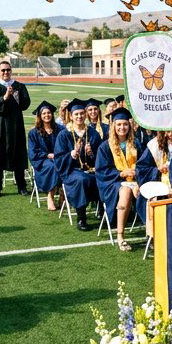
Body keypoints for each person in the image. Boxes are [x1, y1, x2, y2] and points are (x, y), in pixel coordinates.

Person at [94, 108, 142, 250]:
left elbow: (145, 165)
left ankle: (151, 235)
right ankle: (120, 236)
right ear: (113, 126)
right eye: (119, 124)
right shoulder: (105, 146)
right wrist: (121, 174)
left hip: (135, 180)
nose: (122, 127)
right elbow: (102, 171)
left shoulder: (137, 144)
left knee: (150, 189)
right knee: (126, 190)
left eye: (125, 124)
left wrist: (136, 173)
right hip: (111, 183)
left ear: (130, 126)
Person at [54, 99, 101, 229]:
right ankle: (81, 218)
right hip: (71, 171)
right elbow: (58, 159)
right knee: (81, 180)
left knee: (104, 178)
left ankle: (105, 213)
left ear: (85, 114)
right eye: (76, 114)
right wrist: (71, 154)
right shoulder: (64, 134)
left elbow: (101, 158)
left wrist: (91, 153)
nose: (79, 116)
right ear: (71, 116)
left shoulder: (93, 133)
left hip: (91, 169)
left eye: (81, 113)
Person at [0, 59, 30, 198]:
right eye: (3, 70)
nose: (6, 72)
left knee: (18, 154)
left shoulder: (19, 86)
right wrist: (5, 97)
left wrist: (16, 97)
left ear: (11, 71)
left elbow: (25, 104)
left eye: (8, 70)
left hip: (16, 126)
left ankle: (21, 186)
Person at [27, 102, 61, 210]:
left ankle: (62, 194)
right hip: (42, 161)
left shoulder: (60, 129)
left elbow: (66, 146)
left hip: (59, 158)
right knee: (52, 167)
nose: (47, 115)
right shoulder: (34, 133)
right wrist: (47, 155)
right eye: (44, 113)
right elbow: (33, 152)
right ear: (40, 116)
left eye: (49, 113)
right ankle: (50, 196)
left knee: (64, 165)